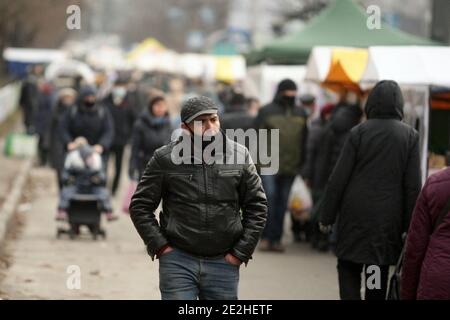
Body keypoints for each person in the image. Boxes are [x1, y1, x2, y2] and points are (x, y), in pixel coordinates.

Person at [129, 96, 267, 300]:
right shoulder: (165, 158)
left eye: (213, 119)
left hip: (224, 262)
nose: (210, 126)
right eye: (201, 121)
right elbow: (140, 206)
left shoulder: (240, 155)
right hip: (178, 260)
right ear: (185, 126)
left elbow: (257, 206)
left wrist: (239, 253)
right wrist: (161, 246)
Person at [318, 80, 422, 300]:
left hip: (353, 215)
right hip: (385, 222)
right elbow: (412, 186)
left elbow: (338, 178)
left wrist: (326, 216)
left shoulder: (359, 132)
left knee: (348, 266)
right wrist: (410, 226)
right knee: (375, 272)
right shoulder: (410, 136)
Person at [256, 79, 308, 252]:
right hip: (268, 164)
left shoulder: (301, 113)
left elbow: (304, 140)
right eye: (288, 92)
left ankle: (276, 239)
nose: (291, 96)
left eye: (293, 92)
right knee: (269, 199)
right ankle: (266, 237)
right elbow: (256, 137)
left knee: (282, 203)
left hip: (291, 166)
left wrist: (303, 164)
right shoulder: (266, 111)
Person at [401, 166, 450, 300]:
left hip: (437, 280)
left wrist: (407, 294)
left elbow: (415, 250)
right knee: (374, 277)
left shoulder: (435, 184)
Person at [56, 137, 115, 222]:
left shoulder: (95, 160)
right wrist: (69, 179)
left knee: (104, 193)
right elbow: (65, 175)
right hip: (77, 185)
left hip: (92, 186)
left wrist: (98, 179)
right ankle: (62, 210)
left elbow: (102, 177)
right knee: (65, 192)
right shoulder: (73, 159)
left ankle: (108, 211)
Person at [60, 86, 114, 166]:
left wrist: (102, 145)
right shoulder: (72, 110)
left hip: (96, 151)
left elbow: (108, 130)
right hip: (75, 149)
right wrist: (69, 142)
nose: (90, 100)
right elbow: (63, 128)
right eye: (87, 98)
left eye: (92, 97)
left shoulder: (102, 111)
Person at [104, 80, 136, 195]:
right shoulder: (106, 102)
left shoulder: (129, 103)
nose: (119, 89)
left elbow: (133, 120)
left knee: (118, 166)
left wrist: (129, 136)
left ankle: (114, 189)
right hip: (106, 140)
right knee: (104, 165)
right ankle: (103, 186)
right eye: (117, 86)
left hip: (121, 141)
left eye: (122, 87)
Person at [129, 96, 172, 181]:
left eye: (163, 106)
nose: (160, 108)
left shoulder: (168, 124)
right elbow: (135, 148)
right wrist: (132, 167)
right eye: (157, 105)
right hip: (145, 166)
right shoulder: (140, 124)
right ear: (151, 106)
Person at [49, 88, 77, 190]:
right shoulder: (56, 111)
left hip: (71, 144)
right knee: (59, 169)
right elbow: (51, 129)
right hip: (58, 144)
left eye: (70, 98)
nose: (68, 100)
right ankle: (61, 188)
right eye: (66, 98)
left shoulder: (75, 112)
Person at [19, 64, 44, 134]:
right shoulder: (31, 81)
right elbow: (30, 98)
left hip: (32, 108)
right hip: (31, 109)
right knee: (30, 126)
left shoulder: (33, 79)